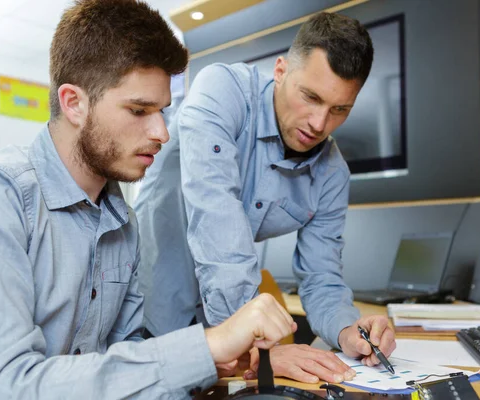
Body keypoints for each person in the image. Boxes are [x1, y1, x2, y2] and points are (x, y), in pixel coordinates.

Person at [0, 1, 296, 399]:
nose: (163, 132)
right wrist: (206, 346)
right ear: (73, 103)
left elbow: (124, 366)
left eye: (162, 111)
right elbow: (0, 385)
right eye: (139, 109)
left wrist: (204, 364)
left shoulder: (123, 222)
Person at [135, 11, 397, 384]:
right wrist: (260, 346)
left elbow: (322, 275)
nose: (319, 124)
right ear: (280, 70)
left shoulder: (333, 173)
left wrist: (348, 330)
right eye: (310, 97)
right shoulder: (221, 91)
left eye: (340, 110)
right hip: (148, 313)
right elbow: (216, 218)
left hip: (225, 332)